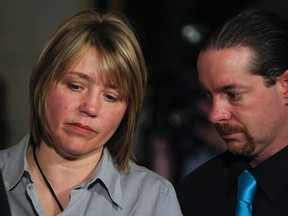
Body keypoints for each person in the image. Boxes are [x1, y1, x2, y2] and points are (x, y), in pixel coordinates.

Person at [0, 9, 182, 216]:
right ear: (42, 83)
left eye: (111, 97)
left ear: (127, 111)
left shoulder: (152, 198)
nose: (90, 107)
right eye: (76, 86)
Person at [176, 7, 288, 215]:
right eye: (208, 96)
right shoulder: (193, 191)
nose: (214, 115)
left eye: (233, 94)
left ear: (285, 86)